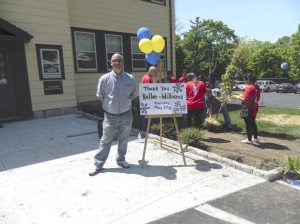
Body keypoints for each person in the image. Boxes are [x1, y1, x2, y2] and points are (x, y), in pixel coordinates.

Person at [89, 53, 138, 176]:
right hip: (110, 116)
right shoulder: (104, 79)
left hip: (126, 114)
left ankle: (121, 160)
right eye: (114, 61)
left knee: (124, 139)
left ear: (123, 62)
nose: (117, 63)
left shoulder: (130, 78)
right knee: (105, 140)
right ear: (111, 63)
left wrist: (125, 103)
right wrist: (110, 105)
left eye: (119, 60)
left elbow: (134, 94)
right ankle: (98, 164)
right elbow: (100, 96)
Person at [241, 73, 261, 144]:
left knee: (248, 124)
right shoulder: (256, 87)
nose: (245, 81)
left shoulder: (249, 88)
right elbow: (258, 97)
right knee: (253, 122)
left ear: (249, 79)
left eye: (245, 79)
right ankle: (255, 138)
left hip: (246, 107)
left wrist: (240, 98)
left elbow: (245, 99)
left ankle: (249, 139)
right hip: (254, 106)